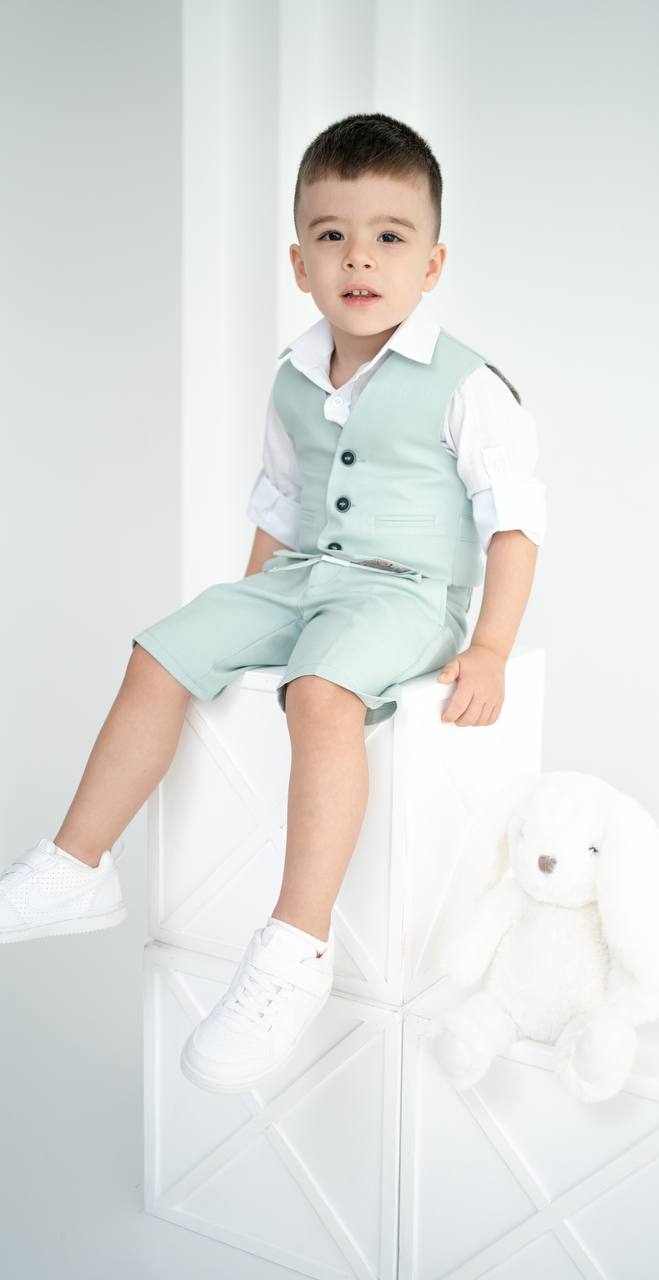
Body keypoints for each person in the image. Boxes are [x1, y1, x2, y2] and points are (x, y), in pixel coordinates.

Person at [0, 112, 546, 1094]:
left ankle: (294, 948)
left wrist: (493, 646)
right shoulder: (294, 376)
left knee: (320, 693)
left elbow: (513, 524)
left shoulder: (469, 386)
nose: (359, 257)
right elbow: (279, 509)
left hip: (409, 595)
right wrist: (238, 624)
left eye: (389, 235)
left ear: (432, 263)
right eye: (332, 234)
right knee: (163, 648)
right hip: (302, 577)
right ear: (300, 263)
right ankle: (77, 865)